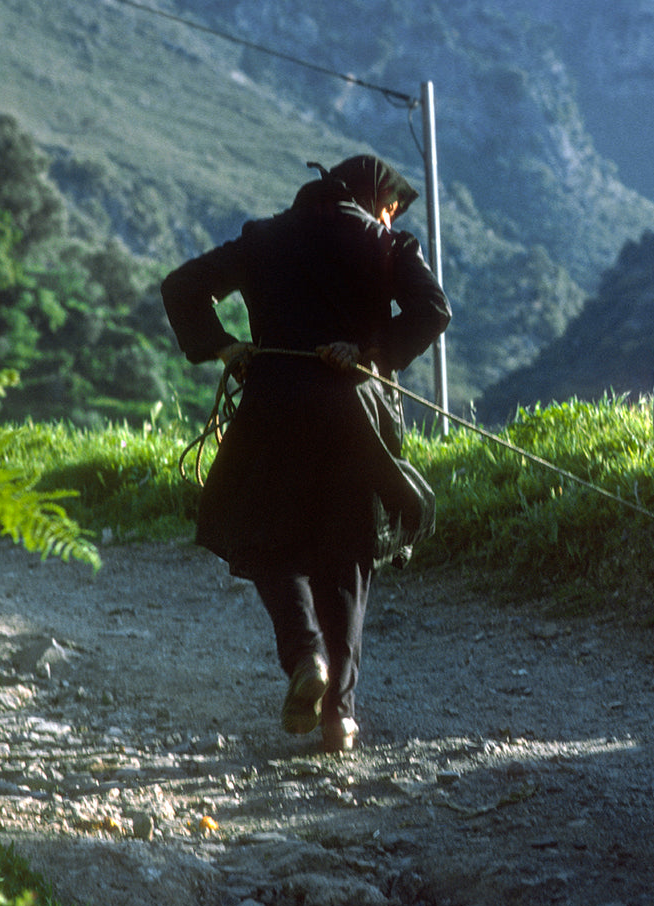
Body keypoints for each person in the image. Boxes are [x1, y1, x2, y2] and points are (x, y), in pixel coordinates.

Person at [163, 154, 451, 754]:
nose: (390, 214)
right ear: (376, 199)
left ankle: (306, 656)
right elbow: (433, 311)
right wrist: (369, 350)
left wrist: (228, 349)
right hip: (355, 420)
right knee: (346, 557)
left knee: (265, 541)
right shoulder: (388, 243)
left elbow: (183, 287)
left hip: (272, 412)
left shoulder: (263, 238)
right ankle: (339, 718)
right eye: (391, 206)